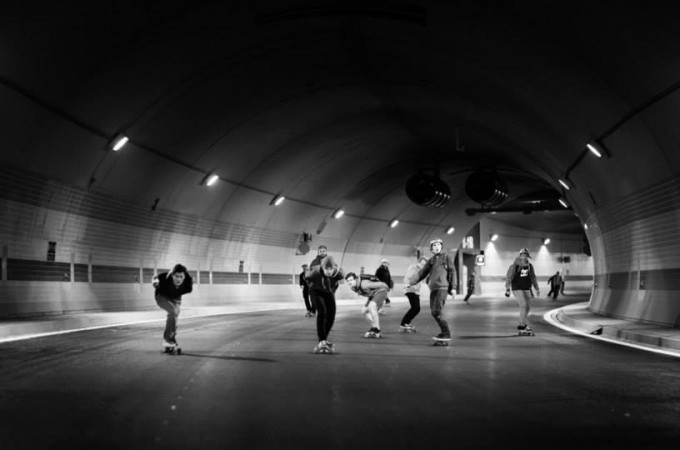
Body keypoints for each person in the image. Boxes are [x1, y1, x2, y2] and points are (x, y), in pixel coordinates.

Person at [406, 238, 457, 342]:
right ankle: (444, 332)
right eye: (434, 245)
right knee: (434, 313)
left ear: (441, 246)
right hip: (433, 288)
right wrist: (410, 282)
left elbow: (452, 272)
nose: (436, 247)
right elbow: (422, 273)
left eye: (438, 245)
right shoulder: (432, 260)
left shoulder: (446, 257)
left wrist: (454, 288)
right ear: (431, 249)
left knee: (437, 311)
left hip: (442, 288)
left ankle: (446, 333)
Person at [305, 255, 344, 353]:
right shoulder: (315, 271)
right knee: (322, 312)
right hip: (316, 291)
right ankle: (322, 340)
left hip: (328, 292)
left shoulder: (339, 273)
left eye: (331, 269)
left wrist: (332, 290)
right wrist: (312, 288)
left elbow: (338, 282)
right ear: (322, 267)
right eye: (327, 269)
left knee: (331, 315)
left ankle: (323, 340)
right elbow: (306, 277)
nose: (329, 271)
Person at [152, 264, 193, 351]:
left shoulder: (188, 284)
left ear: (184, 276)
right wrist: (155, 283)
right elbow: (155, 278)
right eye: (176, 276)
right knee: (173, 311)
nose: (178, 279)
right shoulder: (164, 278)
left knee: (175, 316)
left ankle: (171, 340)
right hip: (161, 296)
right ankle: (167, 339)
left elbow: (185, 287)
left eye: (181, 277)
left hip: (176, 298)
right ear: (172, 275)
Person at [505, 248, 540, 335]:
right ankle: (522, 327)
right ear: (520, 255)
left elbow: (533, 277)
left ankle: (522, 324)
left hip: (526, 288)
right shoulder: (514, 266)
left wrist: (537, 288)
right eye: (522, 255)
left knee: (527, 307)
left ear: (528, 256)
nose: (524, 257)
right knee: (523, 305)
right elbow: (509, 277)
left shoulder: (530, 266)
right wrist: (507, 289)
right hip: (517, 288)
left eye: (525, 255)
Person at [345, 272, 389, 338]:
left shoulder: (364, 284)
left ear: (356, 279)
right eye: (348, 281)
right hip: (373, 295)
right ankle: (373, 327)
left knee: (371, 306)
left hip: (381, 291)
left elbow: (382, 284)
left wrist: (387, 290)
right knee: (363, 311)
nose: (349, 282)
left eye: (351, 280)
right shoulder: (353, 288)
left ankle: (377, 329)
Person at [401, 257, 428, 332]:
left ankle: (405, 323)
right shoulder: (413, 268)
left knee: (416, 308)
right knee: (416, 308)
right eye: (422, 264)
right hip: (410, 290)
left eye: (424, 264)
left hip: (415, 291)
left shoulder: (420, 270)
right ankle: (404, 323)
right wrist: (408, 285)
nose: (423, 265)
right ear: (419, 262)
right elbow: (406, 278)